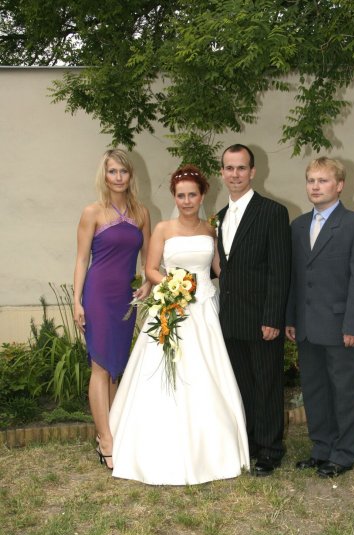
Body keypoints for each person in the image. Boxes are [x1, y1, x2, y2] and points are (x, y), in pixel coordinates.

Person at [110, 164, 250, 485]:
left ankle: (214, 450)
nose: (187, 201)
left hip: (205, 310)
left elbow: (219, 268)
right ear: (174, 197)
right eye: (181, 195)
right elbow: (151, 269)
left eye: (192, 195)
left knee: (207, 373)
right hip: (172, 305)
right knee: (162, 373)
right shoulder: (163, 229)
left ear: (202, 196)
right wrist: (174, 286)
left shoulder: (211, 230)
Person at [285, 157, 354, 478]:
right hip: (307, 326)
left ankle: (344, 453)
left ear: (339, 185)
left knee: (344, 391)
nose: (315, 186)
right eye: (311, 180)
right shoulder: (298, 226)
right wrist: (290, 318)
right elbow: (294, 277)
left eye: (323, 180)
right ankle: (321, 448)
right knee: (314, 390)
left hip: (340, 326)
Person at [73, 149, 151, 470]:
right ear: (104, 176)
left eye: (123, 171)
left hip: (125, 299)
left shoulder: (142, 213)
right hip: (98, 296)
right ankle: (105, 439)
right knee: (100, 366)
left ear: (130, 175)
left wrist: (147, 283)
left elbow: (148, 258)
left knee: (117, 366)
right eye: (112, 171)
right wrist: (76, 300)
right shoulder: (92, 212)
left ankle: (115, 429)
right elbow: (81, 259)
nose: (118, 177)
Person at [217, 144, 291, 477]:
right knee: (242, 386)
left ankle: (271, 450)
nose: (235, 174)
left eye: (241, 168)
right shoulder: (219, 217)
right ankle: (249, 443)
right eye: (229, 168)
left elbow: (280, 270)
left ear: (253, 172)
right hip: (230, 319)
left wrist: (273, 317)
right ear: (222, 172)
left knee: (267, 385)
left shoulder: (273, 212)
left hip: (262, 318)